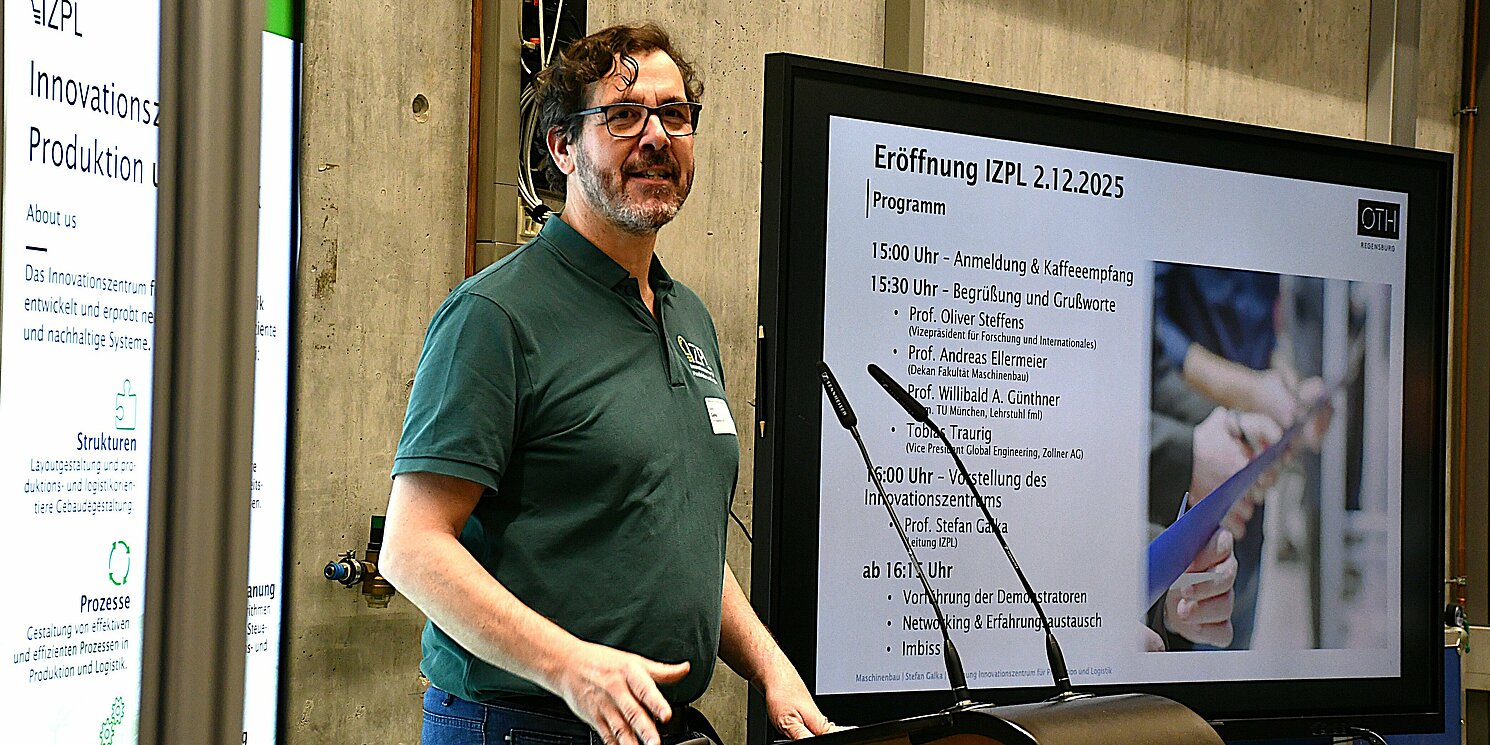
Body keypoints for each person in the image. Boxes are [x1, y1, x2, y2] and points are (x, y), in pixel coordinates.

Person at [380, 24, 832, 745]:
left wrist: (772, 669)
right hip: (523, 727)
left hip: (654, 727)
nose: (656, 136)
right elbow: (411, 547)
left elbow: (673, 533)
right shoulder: (496, 316)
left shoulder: (688, 316)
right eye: (623, 115)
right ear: (562, 147)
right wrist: (569, 666)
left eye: (675, 115)